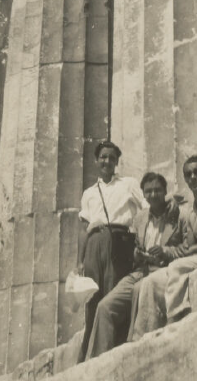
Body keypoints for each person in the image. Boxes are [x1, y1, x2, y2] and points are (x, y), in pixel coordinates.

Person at [130, 155, 197, 338]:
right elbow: (185, 249)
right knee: (150, 282)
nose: (193, 178)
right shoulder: (192, 212)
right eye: (188, 175)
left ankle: (175, 323)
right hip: (195, 260)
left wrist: (195, 250)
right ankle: (142, 336)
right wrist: (163, 252)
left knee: (177, 267)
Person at [86, 172, 185, 358]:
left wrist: (165, 252)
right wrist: (137, 255)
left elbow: (185, 246)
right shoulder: (140, 218)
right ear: (144, 194)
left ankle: (133, 352)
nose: (153, 195)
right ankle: (98, 362)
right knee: (105, 306)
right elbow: (136, 249)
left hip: (164, 270)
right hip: (141, 270)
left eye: (157, 190)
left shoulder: (177, 214)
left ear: (165, 191)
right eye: (148, 192)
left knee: (140, 291)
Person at [76, 140, 144, 363]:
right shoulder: (89, 192)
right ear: (96, 160)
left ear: (117, 162)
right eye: (103, 157)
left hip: (119, 240)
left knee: (114, 293)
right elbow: (83, 229)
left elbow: (145, 207)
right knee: (94, 299)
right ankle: (91, 353)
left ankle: (115, 348)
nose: (107, 161)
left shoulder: (128, 184)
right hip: (95, 243)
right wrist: (79, 261)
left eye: (112, 158)